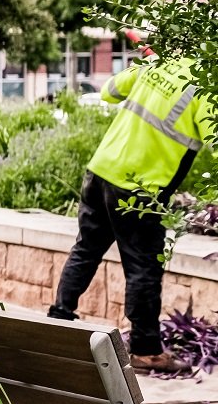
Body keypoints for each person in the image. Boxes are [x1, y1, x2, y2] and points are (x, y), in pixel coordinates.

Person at [49, 52, 213, 374]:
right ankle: (146, 351)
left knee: (86, 249)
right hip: (139, 188)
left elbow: (110, 90)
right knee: (144, 268)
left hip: (100, 171)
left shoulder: (156, 63)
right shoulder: (206, 87)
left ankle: (60, 318)